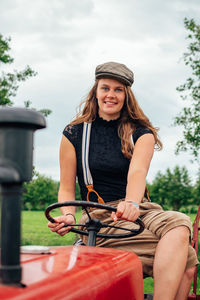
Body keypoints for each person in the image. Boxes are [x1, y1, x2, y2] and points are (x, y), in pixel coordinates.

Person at [48, 61, 198, 300]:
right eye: (105, 88)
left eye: (118, 90)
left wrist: (132, 202)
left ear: (126, 95)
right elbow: (66, 186)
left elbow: (137, 172)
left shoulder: (141, 132)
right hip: (100, 215)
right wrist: (68, 215)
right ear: (95, 92)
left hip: (141, 209)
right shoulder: (74, 133)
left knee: (179, 221)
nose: (111, 95)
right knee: (187, 261)